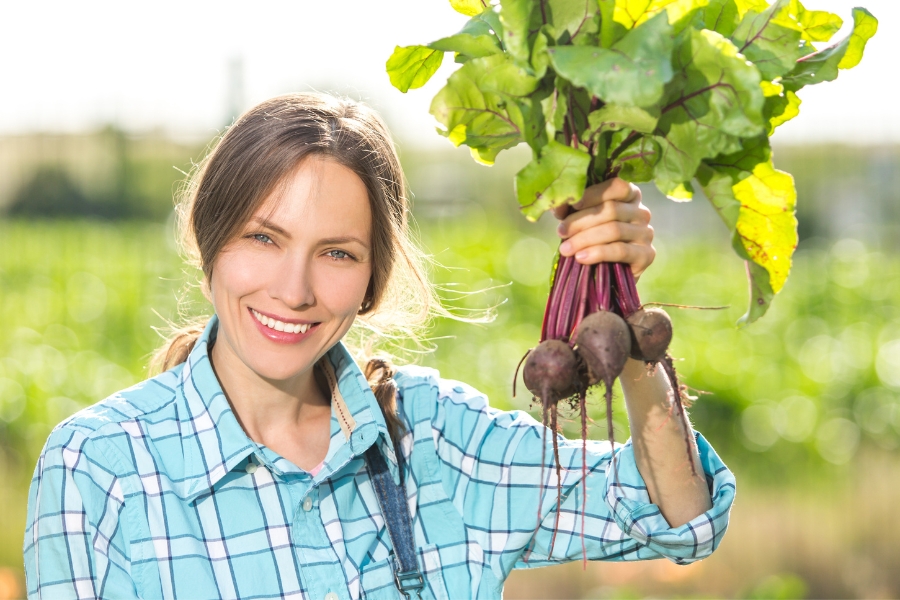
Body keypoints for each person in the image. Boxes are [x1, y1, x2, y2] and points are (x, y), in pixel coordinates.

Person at [23, 93, 735, 599]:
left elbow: (679, 517)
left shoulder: (434, 438)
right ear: (210, 247)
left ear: (371, 281)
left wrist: (624, 315)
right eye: (263, 239)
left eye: (336, 254)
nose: (293, 290)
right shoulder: (102, 469)